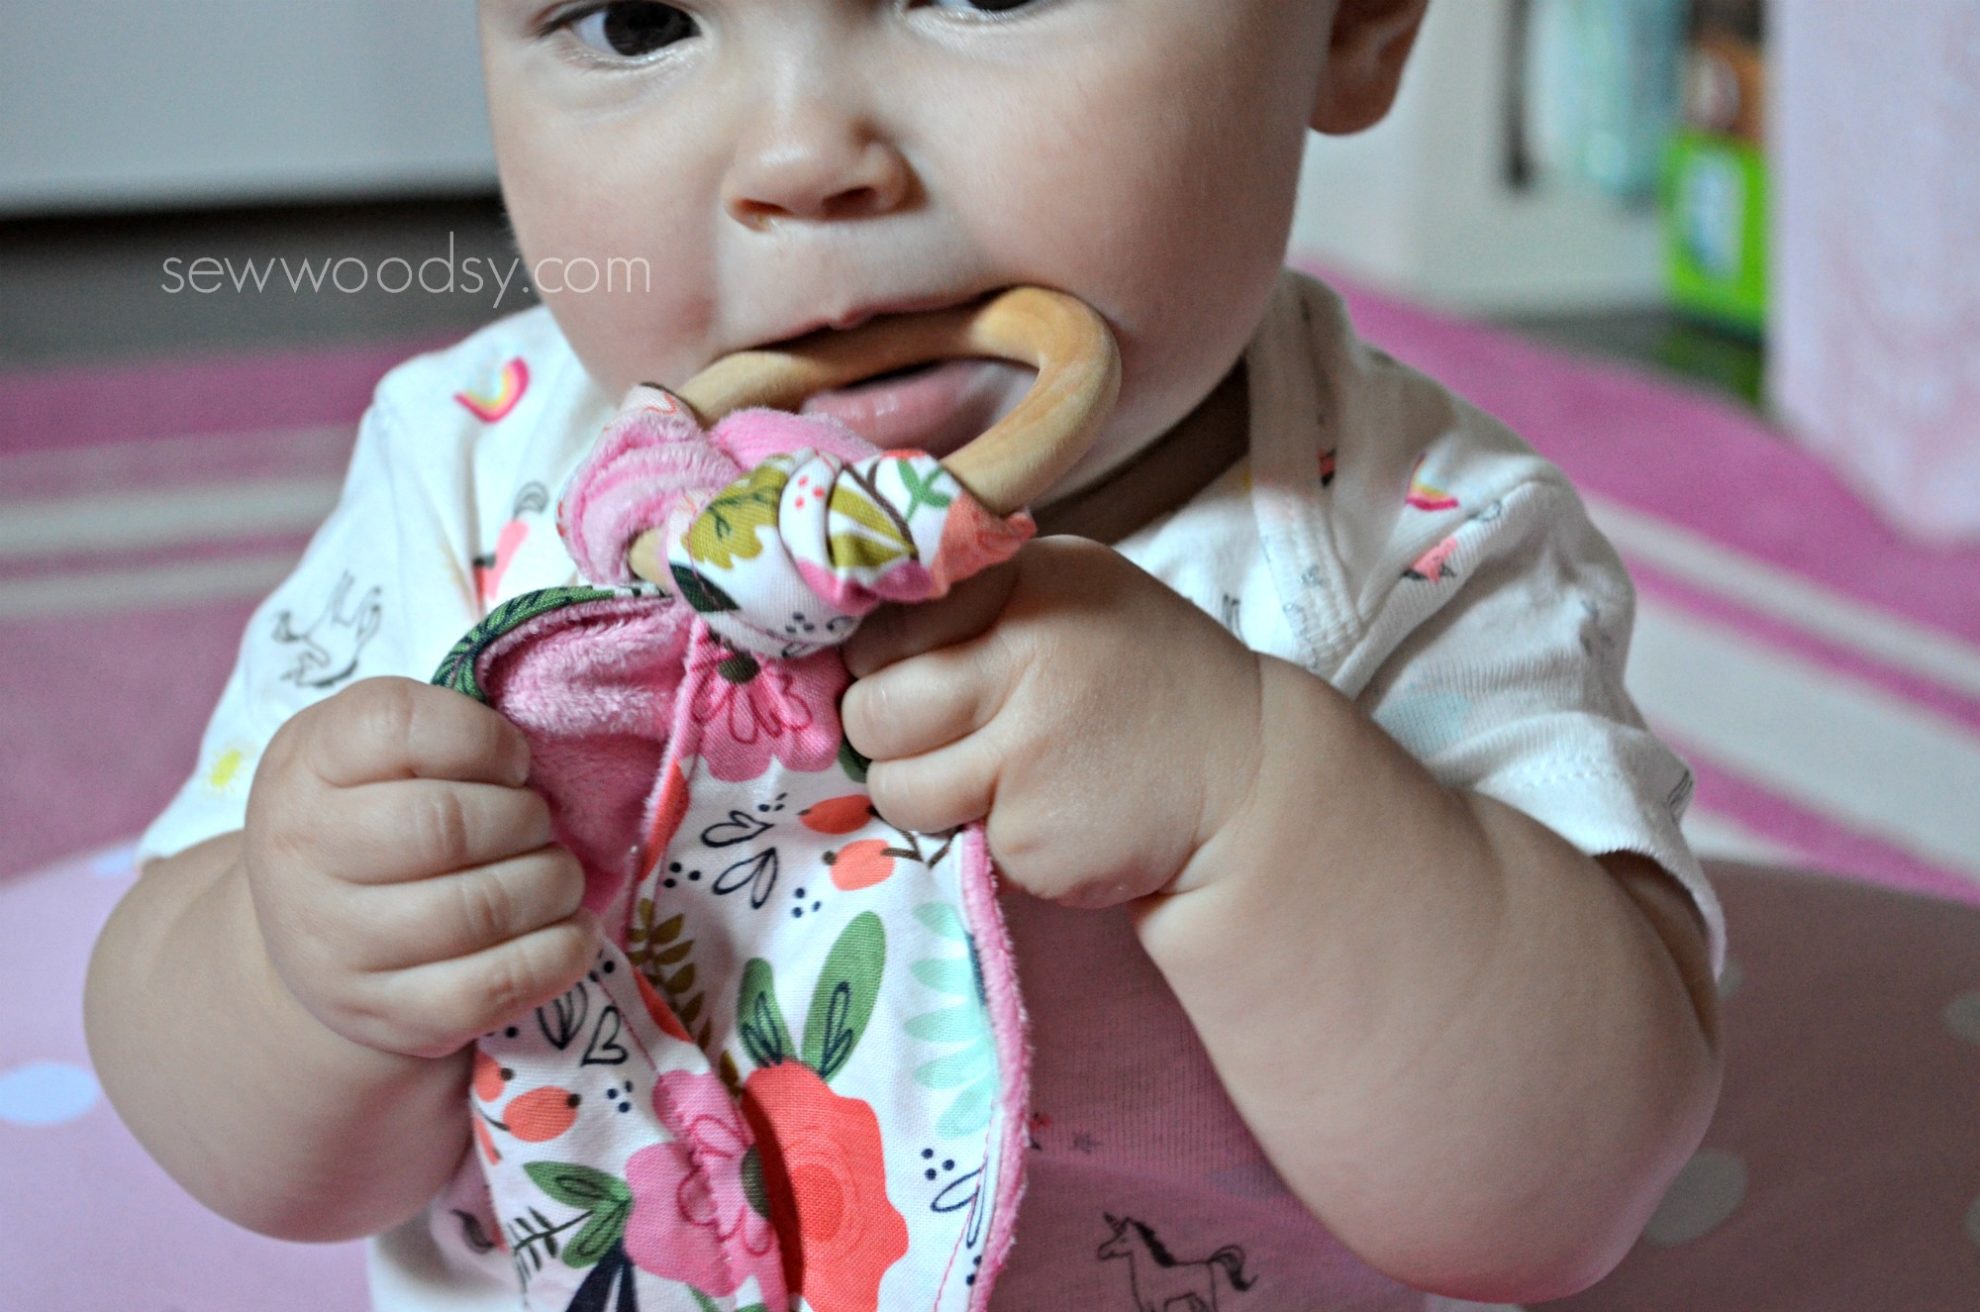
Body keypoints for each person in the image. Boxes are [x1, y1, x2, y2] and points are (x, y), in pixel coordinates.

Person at [84, 1, 1725, 1307]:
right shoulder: (471, 475)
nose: (801, 160)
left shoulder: (1412, 537)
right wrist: (312, 965)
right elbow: (243, 1143)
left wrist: (1258, 798)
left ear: (1356, 21)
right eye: (640, 21)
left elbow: (1558, 1198)